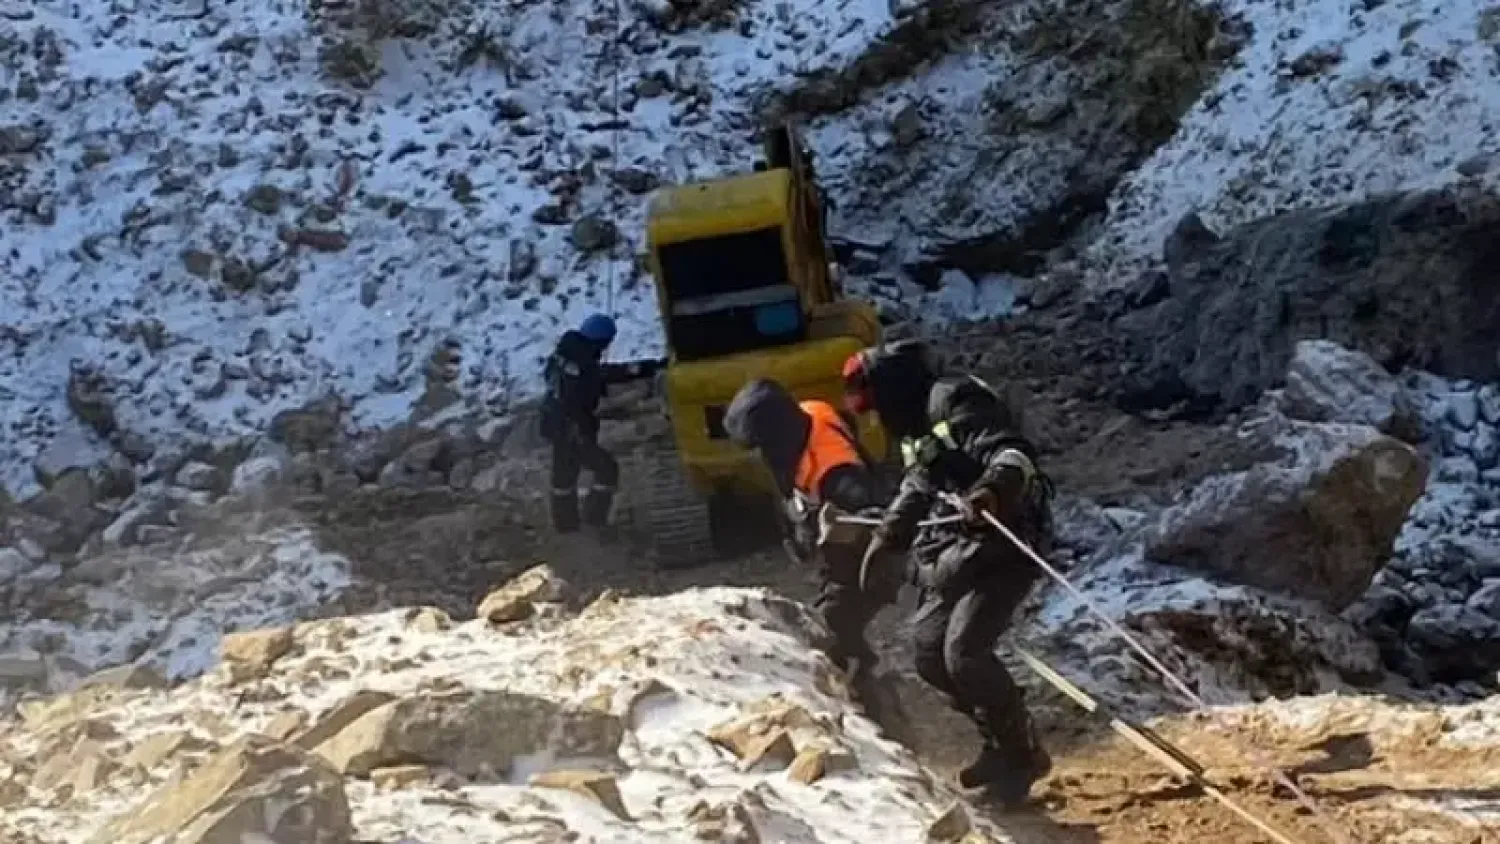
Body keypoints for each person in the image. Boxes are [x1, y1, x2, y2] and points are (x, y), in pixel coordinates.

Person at [847, 340, 1056, 807]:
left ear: (891, 392)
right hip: (963, 548)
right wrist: (888, 537)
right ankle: (998, 745)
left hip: (1008, 539)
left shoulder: (957, 399)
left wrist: (991, 491)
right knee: (928, 652)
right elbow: (920, 480)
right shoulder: (916, 424)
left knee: (965, 651)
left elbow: (1010, 453)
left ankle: (1022, 756)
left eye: (875, 407)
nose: (875, 419)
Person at [723, 378, 906, 732]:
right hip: (841, 552)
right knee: (831, 628)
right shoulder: (810, 412)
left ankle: (878, 720)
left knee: (830, 632)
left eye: (763, 446)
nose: (761, 456)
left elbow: (868, 521)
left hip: (869, 555)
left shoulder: (837, 475)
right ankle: (865, 696)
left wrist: (826, 530)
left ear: (778, 436)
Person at [539, 314, 652, 534]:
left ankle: (566, 526)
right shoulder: (585, 367)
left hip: (553, 421)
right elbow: (594, 398)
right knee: (607, 469)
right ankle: (595, 518)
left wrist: (635, 370)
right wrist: (633, 398)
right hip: (573, 428)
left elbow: (598, 375)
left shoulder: (565, 353)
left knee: (564, 475)